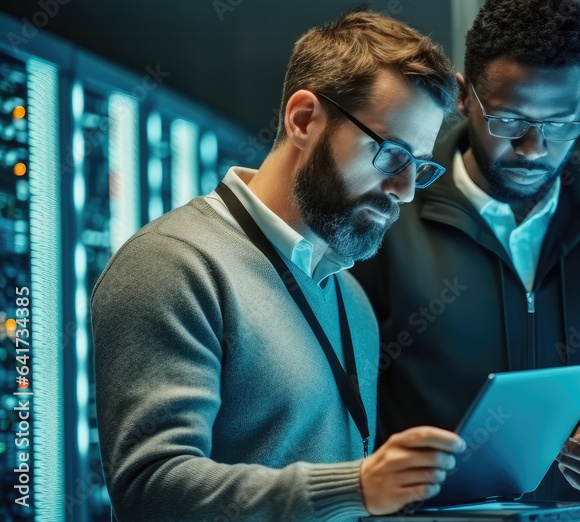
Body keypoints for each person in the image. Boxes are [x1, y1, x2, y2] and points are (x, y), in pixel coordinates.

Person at [91, 10, 466, 521]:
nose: (403, 191)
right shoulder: (173, 263)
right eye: (391, 154)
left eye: (418, 167)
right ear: (304, 119)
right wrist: (353, 487)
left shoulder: (349, 297)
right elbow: (152, 489)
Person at [351, 0, 580, 519]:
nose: (534, 148)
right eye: (509, 120)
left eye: (561, 123)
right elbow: (344, 403)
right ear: (464, 96)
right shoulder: (388, 216)